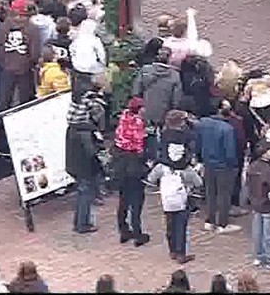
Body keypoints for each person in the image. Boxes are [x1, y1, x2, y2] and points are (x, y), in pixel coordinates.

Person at [147, 142, 203, 263]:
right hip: (181, 200)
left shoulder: (161, 167)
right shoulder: (186, 169)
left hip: (167, 200)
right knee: (181, 227)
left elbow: (151, 179)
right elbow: (199, 183)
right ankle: (181, 253)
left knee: (170, 225)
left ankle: (172, 250)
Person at [66, 72, 108, 234]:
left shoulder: (72, 126)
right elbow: (91, 152)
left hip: (74, 159)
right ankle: (82, 223)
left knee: (83, 188)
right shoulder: (86, 128)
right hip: (83, 162)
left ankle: (80, 220)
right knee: (85, 189)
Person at [198, 102, 241, 234]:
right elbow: (230, 151)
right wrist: (234, 165)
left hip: (208, 163)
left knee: (210, 193)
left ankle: (210, 220)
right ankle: (223, 223)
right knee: (224, 195)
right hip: (223, 166)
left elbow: (198, 142)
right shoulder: (227, 128)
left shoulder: (203, 123)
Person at [114, 97, 151, 246]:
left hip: (121, 162)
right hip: (134, 164)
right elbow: (141, 146)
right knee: (137, 201)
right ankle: (137, 233)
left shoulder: (124, 118)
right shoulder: (138, 124)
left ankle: (123, 231)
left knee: (123, 199)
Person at [0, 9, 39, 111]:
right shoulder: (32, 29)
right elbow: (35, 52)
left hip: (7, 66)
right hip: (25, 67)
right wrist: (30, 63)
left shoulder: (2, 27)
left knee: (5, 97)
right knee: (24, 98)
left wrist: (3, 62)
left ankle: (1, 123)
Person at [247, 143, 270, 268]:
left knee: (257, 232)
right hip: (267, 204)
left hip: (255, 203)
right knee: (269, 232)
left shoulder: (252, 167)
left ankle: (258, 256)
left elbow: (248, 185)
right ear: (264, 153)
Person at [133, 46, 183, 128]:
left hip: (145, 111)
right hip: (164, 114)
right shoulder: (175, 75)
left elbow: (136, 91)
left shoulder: (145, 70)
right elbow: (176, 100)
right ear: (169, 58)